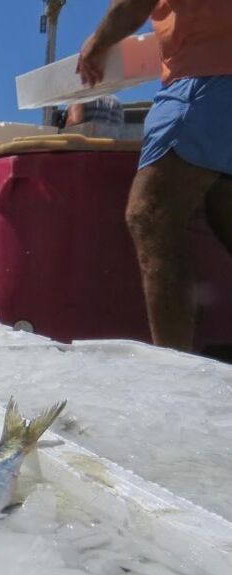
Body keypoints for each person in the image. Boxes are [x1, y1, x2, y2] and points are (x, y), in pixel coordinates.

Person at [77, 0, 232, 351]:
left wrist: (97, 44)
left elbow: (133, 4)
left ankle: (174, 372)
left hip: (209, 73)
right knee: (225, 211)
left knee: (150, 213)